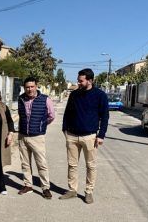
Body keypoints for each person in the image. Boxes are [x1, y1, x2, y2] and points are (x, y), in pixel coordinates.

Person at [60, 68, 109, 204]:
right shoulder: (74, 94)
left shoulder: (100, 95)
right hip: (72, 136)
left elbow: (105, 117)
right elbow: (67, 113)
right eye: (78, 80)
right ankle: (72, 190)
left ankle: (89, 192)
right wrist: (65, 130)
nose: (78, 83)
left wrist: (101, 135)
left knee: (91, 166)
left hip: (90, 137)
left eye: (81, 81)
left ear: (90, 80)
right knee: (72, 165)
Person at [17, 77, 55, 199]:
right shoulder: (21, 98)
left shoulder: (45, 99)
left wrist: (41, 125)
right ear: (24, 87)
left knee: (41, 163)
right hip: (22, 136)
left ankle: (45, 188)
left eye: (32, 86)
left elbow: (51, 116)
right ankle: (28, 185)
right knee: (25, 163)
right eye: (27, 87)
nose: (29, 89)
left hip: (37, 137)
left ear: (36, 86)